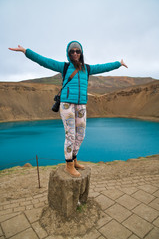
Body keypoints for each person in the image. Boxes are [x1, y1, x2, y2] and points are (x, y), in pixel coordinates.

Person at [9, 41, 128, 177]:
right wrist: (26, 51)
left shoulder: (87, 69)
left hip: (81, 105)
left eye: (78, 51)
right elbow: (44, 61)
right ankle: (69, 165)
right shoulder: (64, 67)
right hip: (67, 105)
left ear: (81, 53)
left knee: (81, 135)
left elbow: (103, 67)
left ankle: (74, 158)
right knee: (70, 135)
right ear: (68, 53)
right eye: (72, 51)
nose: (75, 53)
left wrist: (118, 63)